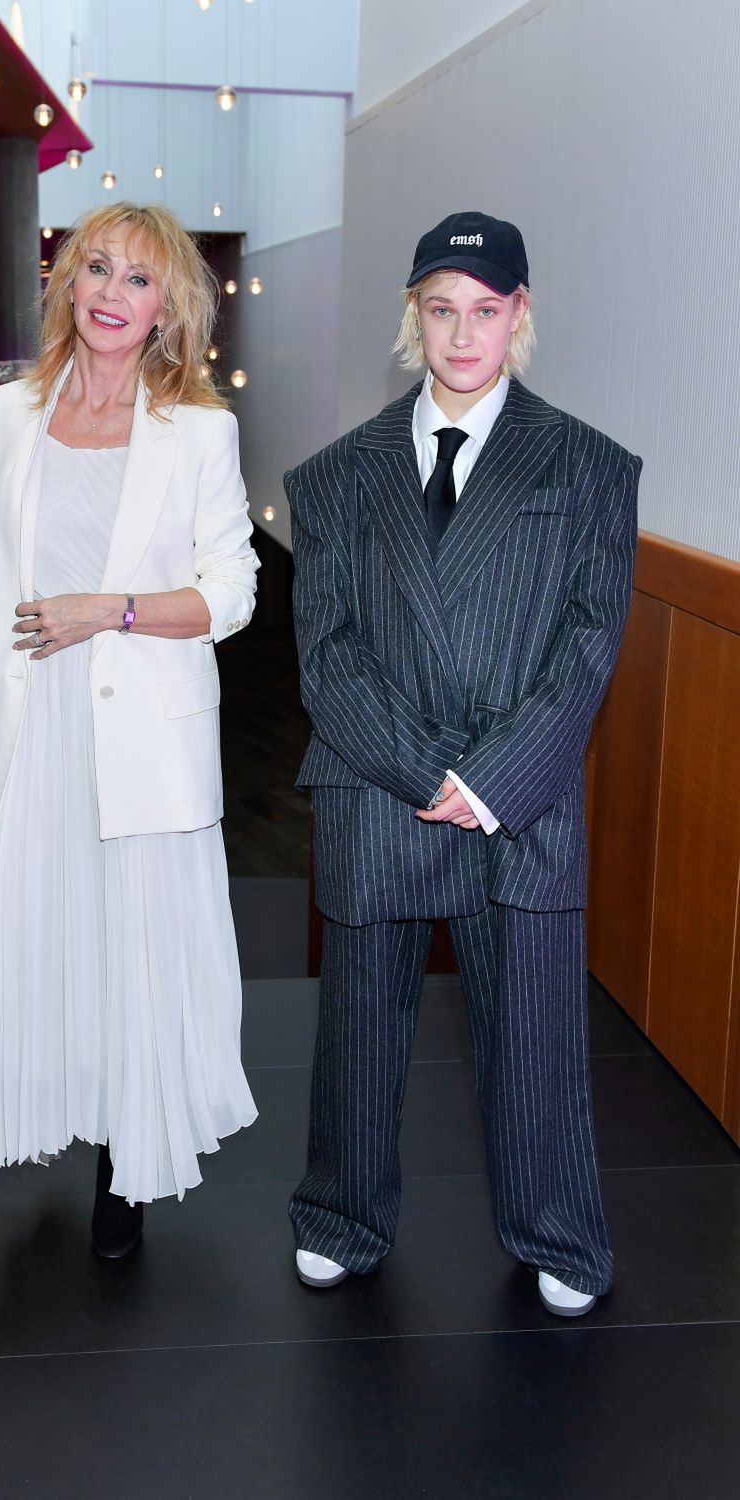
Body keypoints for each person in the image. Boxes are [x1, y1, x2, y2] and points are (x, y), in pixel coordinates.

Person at [0, 201, 259, 1276]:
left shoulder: (198, 432)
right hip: (29, 740)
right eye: (96, 269)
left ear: (168, 307)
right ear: (66, 284)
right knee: (2, 964)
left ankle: (119, 1181)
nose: (110, 294)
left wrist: (113, 609)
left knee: (123, 967)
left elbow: (233, 593)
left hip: (141, 748)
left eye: (138, 280)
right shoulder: (5, 413)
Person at [286, 211, 641, 1317]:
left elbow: (590, 643)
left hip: (515, 796)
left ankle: (556, 1234)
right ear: (413, 318)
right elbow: (324, 651)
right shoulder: (336, 476)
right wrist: (420, 767)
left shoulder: (588, 466)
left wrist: (490, 777)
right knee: (358, 1023)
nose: (462, 333)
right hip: (378, 780)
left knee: (532, 1031)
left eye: (484, 310)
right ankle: (341, 1215)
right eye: (440, 310)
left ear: (518, 316)